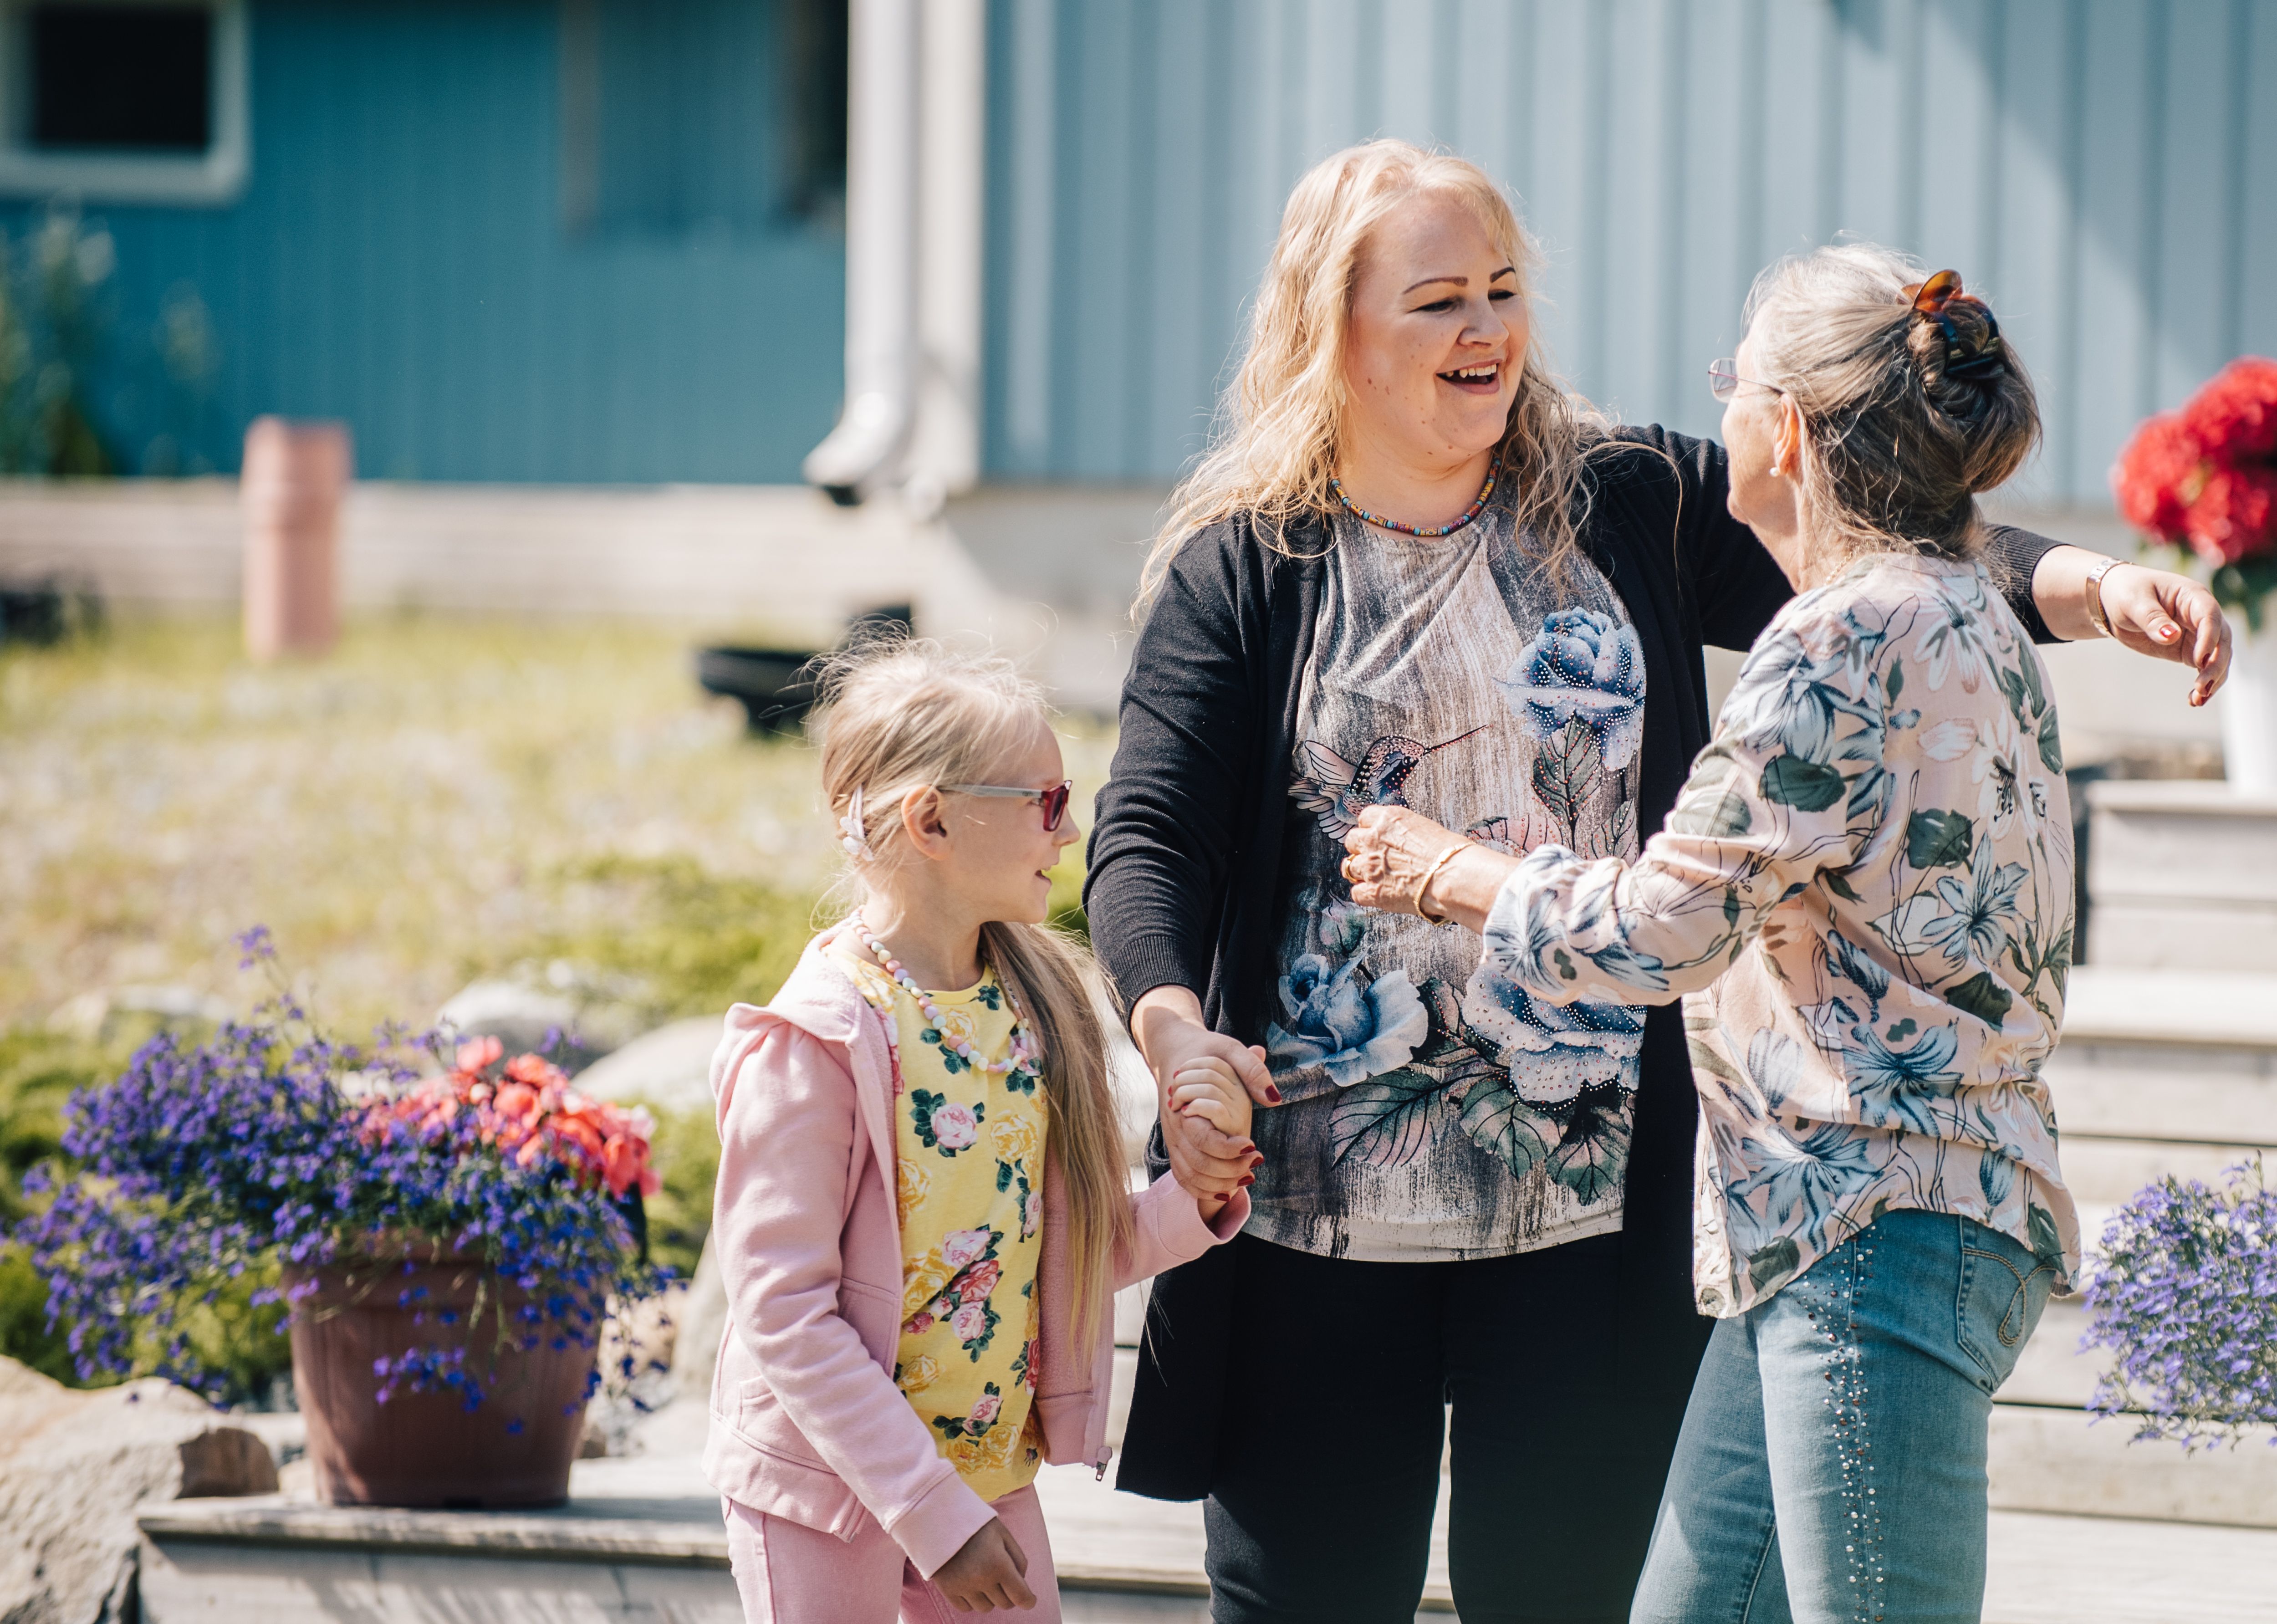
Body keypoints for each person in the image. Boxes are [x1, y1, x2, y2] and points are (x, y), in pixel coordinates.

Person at [1084, 140, 2230, 1624]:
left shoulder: (1632, 498)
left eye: (1501, 288)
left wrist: (2090, 586)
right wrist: (1175, 1032)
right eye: (1438, 301)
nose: (1486, 328)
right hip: (1320, 1215)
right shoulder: (1247, 565)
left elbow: (1882, 539)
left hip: (1595, 1231)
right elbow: (1150, 836)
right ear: (1335, 329)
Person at [1342, 245, 2080, 1623]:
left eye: (1729, 384)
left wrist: (1459, 874)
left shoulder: (1834, 640)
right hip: (1849, 1219)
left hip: (1875, 1217)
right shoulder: (1968, 611)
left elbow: (1668, 930)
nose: (1718, 409)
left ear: (1784, 428)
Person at [705, 642, 1251, 1622]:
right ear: (933, 819)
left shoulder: (1032, 1010)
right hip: (832, 1498)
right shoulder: (816, 1042)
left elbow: (1057, 1251)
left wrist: (1194, 1199)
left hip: (989, 1479)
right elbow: (785, 1313)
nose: (1071, 827)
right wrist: (933, 1516)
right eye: (1045, 802)